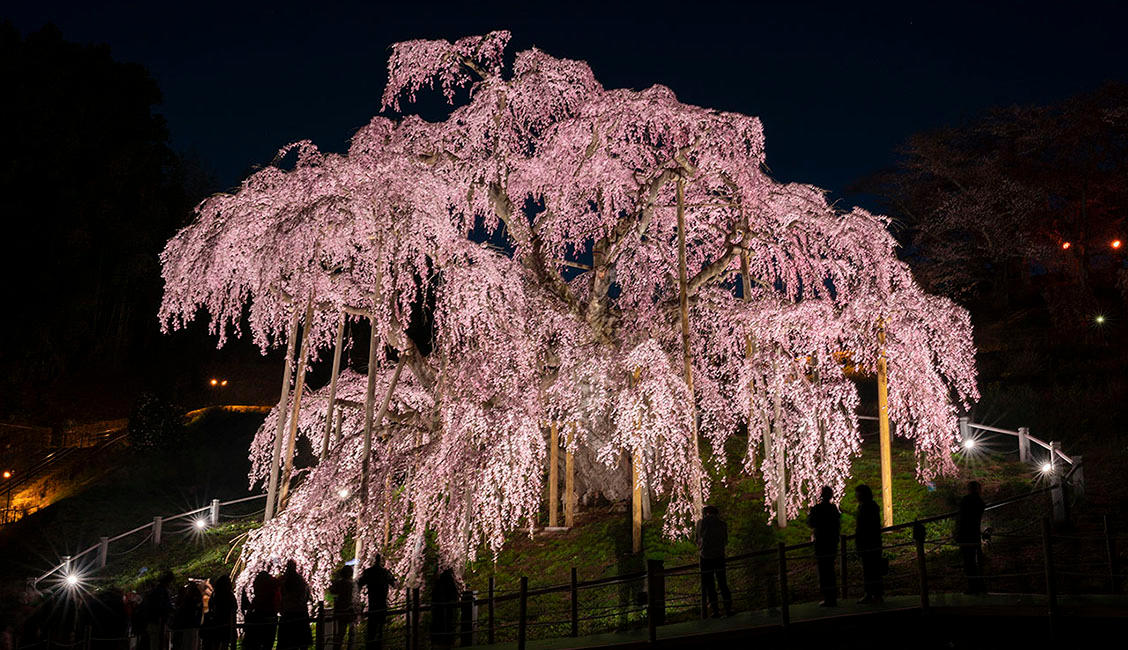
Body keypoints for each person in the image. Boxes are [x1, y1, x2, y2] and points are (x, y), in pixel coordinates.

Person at [694, 505, 733, 618]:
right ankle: (728, 608)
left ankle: (715, 610)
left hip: (705, 557)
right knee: (722, 583)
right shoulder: (722, 524)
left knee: (709, 584)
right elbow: (725, 541)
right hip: (719, 556)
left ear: (705, 513)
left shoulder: (701, 523)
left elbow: (697, 539)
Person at [807, 486, 841, 607]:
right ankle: (832, 596)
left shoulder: (817, 509)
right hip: (831, 542)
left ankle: (828, 597)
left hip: (821, 542)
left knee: (823, 570)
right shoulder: (833, 509)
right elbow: (837, 525)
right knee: (830, 570)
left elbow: (811, 523)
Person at [357, 556, 397, 650]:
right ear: (381, 562)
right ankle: (378, 645)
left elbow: (359, 583)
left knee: (372, 627)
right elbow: (394, 584)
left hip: (373, 601)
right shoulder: (385, 572)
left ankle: (370, 645)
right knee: (380, 627)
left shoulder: (369, 572)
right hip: (382, 601)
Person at [853, 484, 884, 604]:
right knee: (870, 569)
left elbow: (864, 527)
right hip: (872, 541)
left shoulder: (867, 507)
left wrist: (860, 540)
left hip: (869, 542)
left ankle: (874, 594)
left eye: (857, 493)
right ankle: (872, 594)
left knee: (872, 569)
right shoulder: (870, 506)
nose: (856, 496)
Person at [957, 480, 987, 594]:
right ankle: (980, 586)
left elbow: (961, 518)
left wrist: (957, 533)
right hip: (974, 534)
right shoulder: (980, 502)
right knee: (977, 561)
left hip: (965, 534)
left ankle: (973, 587)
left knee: (969, 562)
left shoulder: (966, 500)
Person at [278, 561, 313, 650]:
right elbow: (306, 596)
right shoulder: (301, 580)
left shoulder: (283, 580)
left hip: (287, 614)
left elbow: (279, 596)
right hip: (300, 613)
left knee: (287, 643)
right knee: (301, 642)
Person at [242, 571, 280, 650]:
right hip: (270, 618)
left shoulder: (258, 599)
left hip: (259, 617)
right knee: (267, 644)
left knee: (256, 643)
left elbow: (251, 608)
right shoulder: (273, 591)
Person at [138, 570, 176, 650]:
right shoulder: (161, 592)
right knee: (156, 643)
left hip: (154, 621)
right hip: (158, 622)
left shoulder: (156, 591)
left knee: (155, 643)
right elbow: (161, 607)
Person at [201, 575, 235, 650]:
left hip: (216, 624)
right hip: (226, 624)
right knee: (223, 645)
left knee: (216, 644)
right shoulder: (229, 596)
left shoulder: (215, 595)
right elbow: (233, 610)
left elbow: (210, 608)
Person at [327, 566, 356, 650]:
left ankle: (337, 647)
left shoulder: (339, 583)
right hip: (349, 610)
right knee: (351, 633)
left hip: (340, 610)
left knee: (339, 633)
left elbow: (332, 591)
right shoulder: (350, 584)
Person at [429, 569, 459, 648]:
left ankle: (438, 642)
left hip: (438, 610)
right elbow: (454, 595)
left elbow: (433, 597)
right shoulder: (450, 583)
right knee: (448, 624)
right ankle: (448, 641)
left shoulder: (438, 584)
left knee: (439, 625)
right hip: (448, 608)